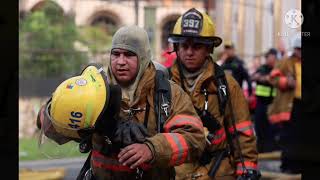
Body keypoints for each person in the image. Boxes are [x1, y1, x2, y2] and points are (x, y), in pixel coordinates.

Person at [36, 25, 206, 179]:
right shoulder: (94, 89)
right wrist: (94, 121)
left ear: (144, 57)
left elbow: (194, 139)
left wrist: (152, 149)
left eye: (129, 55)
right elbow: (51, 126)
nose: (121, 62)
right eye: (116, 54)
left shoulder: (169, 94)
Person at [167, 8, 259, 180]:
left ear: (209, 48)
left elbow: (242, 132)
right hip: (176, 171)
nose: (189, 52)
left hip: (217, 170)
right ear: (176, 48)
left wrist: (247, 169)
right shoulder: (164, 83)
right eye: (184, 45)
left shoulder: (226, 84)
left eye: (197, 46)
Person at [267, 35, 302, 174]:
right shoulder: (285, 62)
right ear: (294, 49)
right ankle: (287, 166)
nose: (300, 52)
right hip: (290, 106)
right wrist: (286, 82)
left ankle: (298, 165)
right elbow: (273, 78)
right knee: (288, 137)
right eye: (298, 49)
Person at [251, 48, 279, 153]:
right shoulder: (262, 68)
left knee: (271, 128)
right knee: (259, 126)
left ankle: (270, 148)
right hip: (261, 103)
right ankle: (261, 148)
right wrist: (264, 78)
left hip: (273, 103)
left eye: (272, 58)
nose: (270, 60)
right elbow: (253, 77)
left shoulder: (277, 69)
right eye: (268, 58)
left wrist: (266, 79)